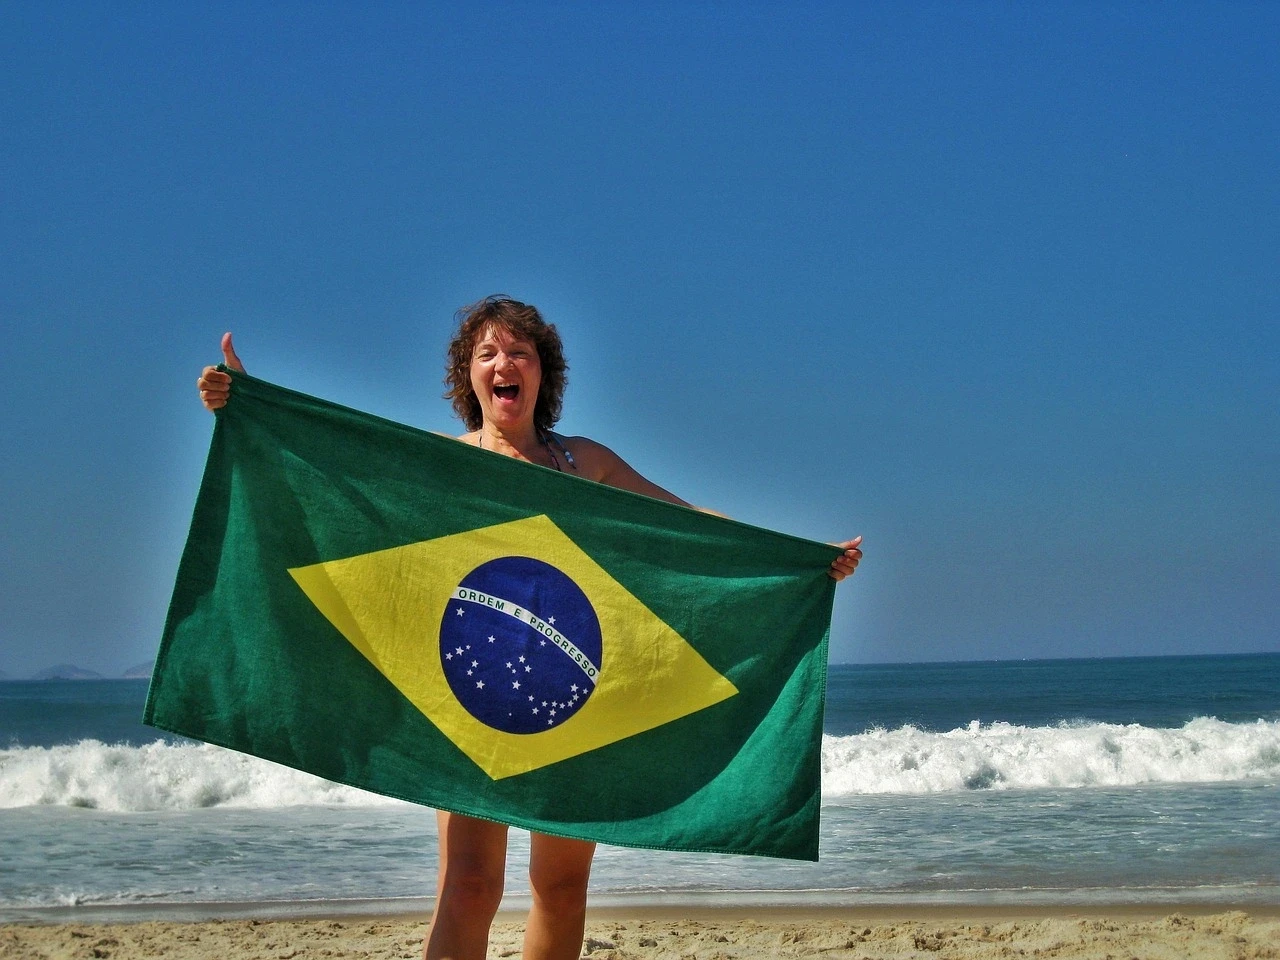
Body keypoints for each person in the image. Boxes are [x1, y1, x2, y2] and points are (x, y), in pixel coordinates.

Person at [197, 296, 863, 960]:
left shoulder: (585, 463)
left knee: (561, 887)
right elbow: (331, 474)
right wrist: (252, 408)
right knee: (469, 884)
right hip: (470, 695)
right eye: (487, 353)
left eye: (519, 352)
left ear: (543, 372)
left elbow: (689, 524)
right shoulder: (442, 461)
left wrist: (800, 559)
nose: (504, 363)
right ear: (469, 375)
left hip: (575, 695)